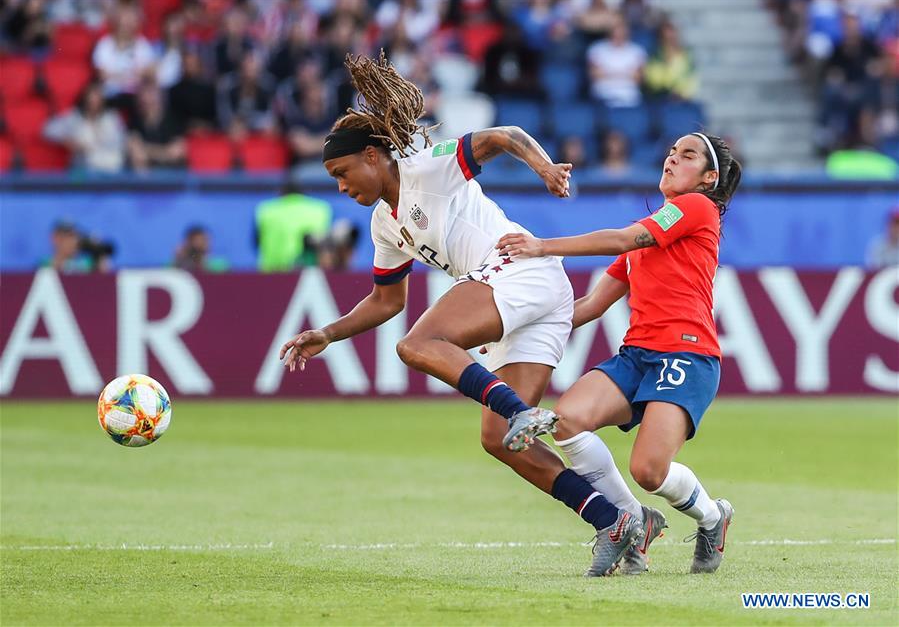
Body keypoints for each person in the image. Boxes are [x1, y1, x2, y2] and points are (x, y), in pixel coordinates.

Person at [279, 51, 652, 576]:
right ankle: (613, 522)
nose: (342, 186)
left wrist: (543, 166)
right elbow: (388, 299)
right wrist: (328, 332)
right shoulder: (385, 225)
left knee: (418, 345)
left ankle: (520, 411)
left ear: (372, 156)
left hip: (517, 266)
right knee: (496, 440)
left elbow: (502, 135)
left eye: (343, 173)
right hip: (537, 295)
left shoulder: (424, 168)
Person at [497, 131, 742, 575]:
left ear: (708, 179)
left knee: (650, 470)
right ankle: (634, 520)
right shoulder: (647, 233)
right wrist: (508, 326)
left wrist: (542, 246)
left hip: (686, 355)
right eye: (670, 151)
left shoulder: (695, 209)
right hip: (636, 356)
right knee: (568, 419)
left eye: (686, 156)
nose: (671, 159)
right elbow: (589, 307)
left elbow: (625, 240)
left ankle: (712, 517)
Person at [43, 81, 127, 173]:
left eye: (97, 97)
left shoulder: (112, 118)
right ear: (85, 98)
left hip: (111, 170)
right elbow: (48, 130)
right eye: (91, 97)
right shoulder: (75, 117)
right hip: (83, 171)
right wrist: (67, 140)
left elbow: (121, 142)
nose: (93, 101)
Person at [255, 180, 332, 271]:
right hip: (309, 273)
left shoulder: (265, 210)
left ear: (281, 194)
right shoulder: (321, 209)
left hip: (271, 273)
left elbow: (257, 242)